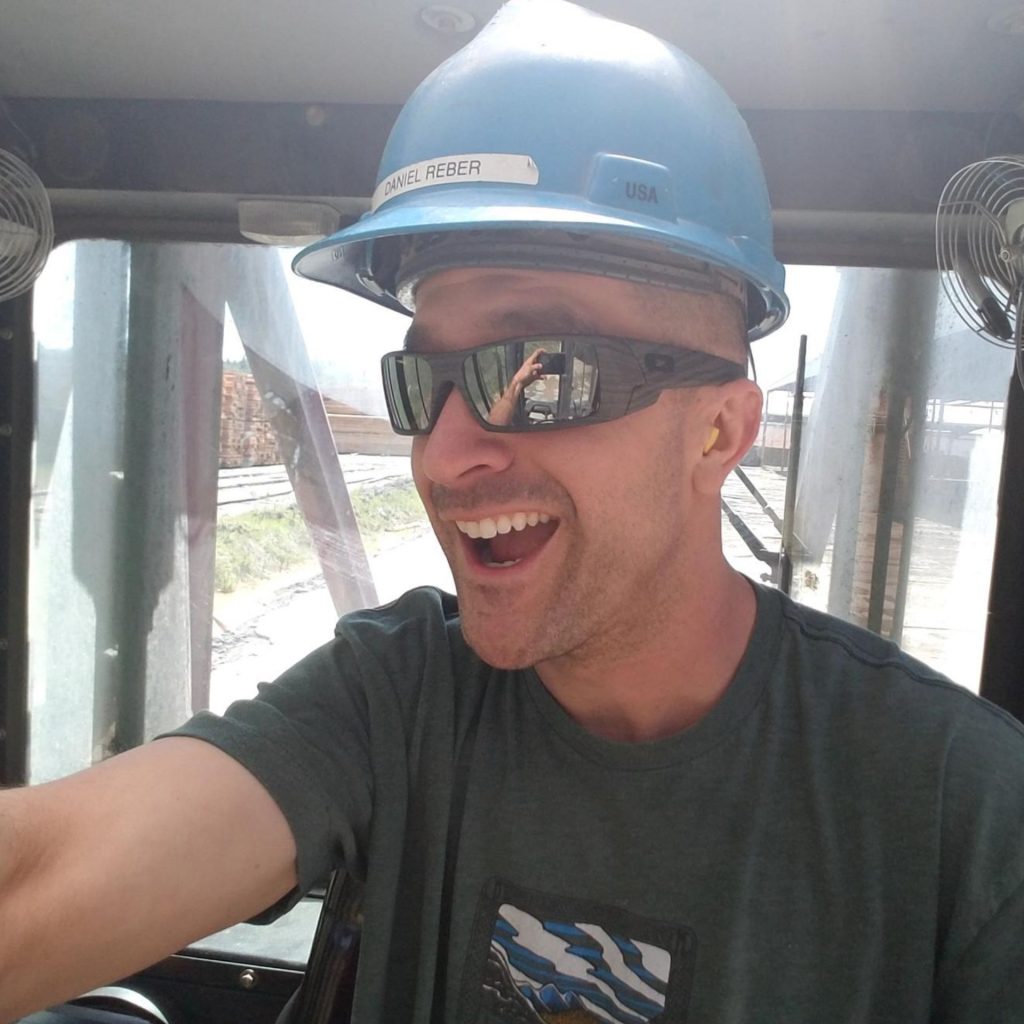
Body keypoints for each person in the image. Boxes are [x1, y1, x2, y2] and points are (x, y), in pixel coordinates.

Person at [2, 1, 1024, 1022]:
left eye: (542, 373)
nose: (444, 454)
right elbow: (41, 878)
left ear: (718, 432)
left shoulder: (962, 816)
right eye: (423, 382)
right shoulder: (399, 700)